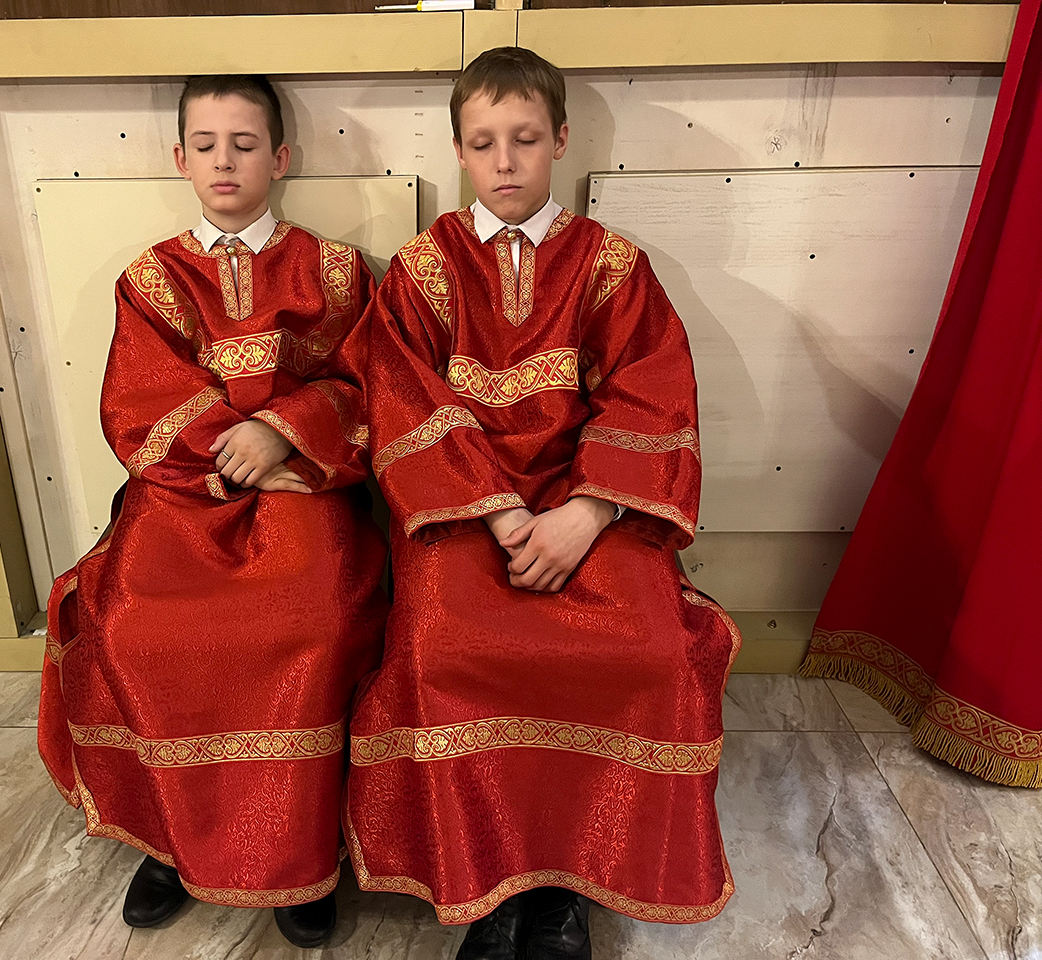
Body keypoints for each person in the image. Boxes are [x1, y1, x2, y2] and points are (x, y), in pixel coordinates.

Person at [345, 47, 739, 960]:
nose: (505, 161)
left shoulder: (612, 266)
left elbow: (651, 394)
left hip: (591, 508)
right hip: (463, 512)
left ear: (560, 139)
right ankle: (490, 884)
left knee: (644, 648)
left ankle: (566, 884)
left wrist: (587, 514)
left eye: (524, 138)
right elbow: (402, 397)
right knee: (445, 647)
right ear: (459, 151)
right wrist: (495, 510)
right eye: (483, 143)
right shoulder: (423, 268)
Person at [37, 75, 387, 947]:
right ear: (180, 157)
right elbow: (137, 401)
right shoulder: (151, 277)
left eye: (245, 143)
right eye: (206, 144)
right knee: (138, 628)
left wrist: (283, 432)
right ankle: (171, 836)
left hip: (306, 484)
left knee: (312, 621)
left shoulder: (336, 271)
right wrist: (230, 457)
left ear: (281, 157)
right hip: (184, 494)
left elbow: (368, 381)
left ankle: (302, 854)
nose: (225, 160)